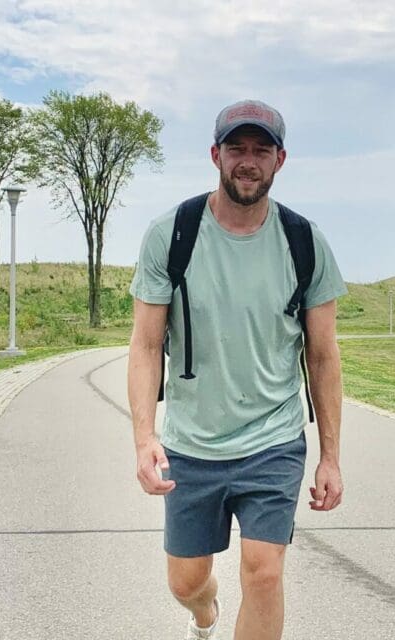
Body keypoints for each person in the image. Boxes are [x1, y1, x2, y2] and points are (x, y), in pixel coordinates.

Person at [128, 99, 348, 640]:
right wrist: (144, 438)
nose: (248, 161)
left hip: (273, 440)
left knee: (264, 572)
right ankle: (204, 614)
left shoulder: (304, 243)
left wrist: (330, 458)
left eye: (261, 150)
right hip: (192, 443)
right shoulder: (172, 234)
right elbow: (146, 343)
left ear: (280, 160)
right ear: (215, 155)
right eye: (236, 149)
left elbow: (323, 356)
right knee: (186, 581)